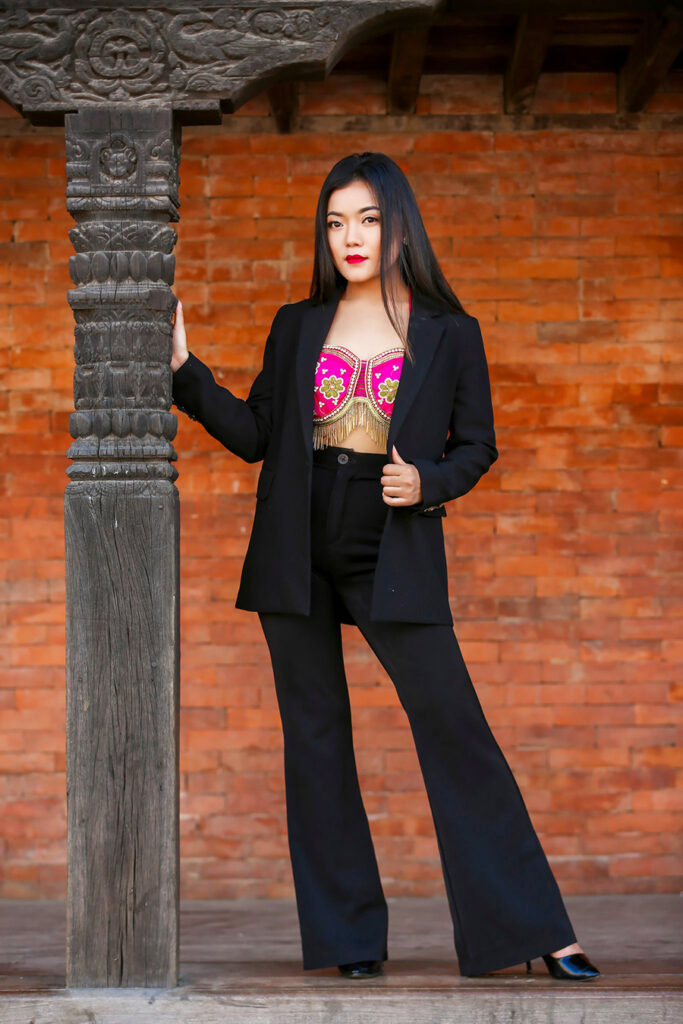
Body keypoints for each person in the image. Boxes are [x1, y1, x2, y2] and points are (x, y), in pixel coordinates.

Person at [170, 152, 600, 982]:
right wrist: (185, 372)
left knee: (454, 728)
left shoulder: (449, 331)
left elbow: (477, 444)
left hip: (391, 538)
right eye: (335, 222)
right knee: (315, 738)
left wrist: (428, 482)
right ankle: (347, 941)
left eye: (367, 218)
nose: (350, 236)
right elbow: (257, 436)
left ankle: (535, 930)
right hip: (297, 537)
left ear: (399, 225)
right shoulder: (298, 324)